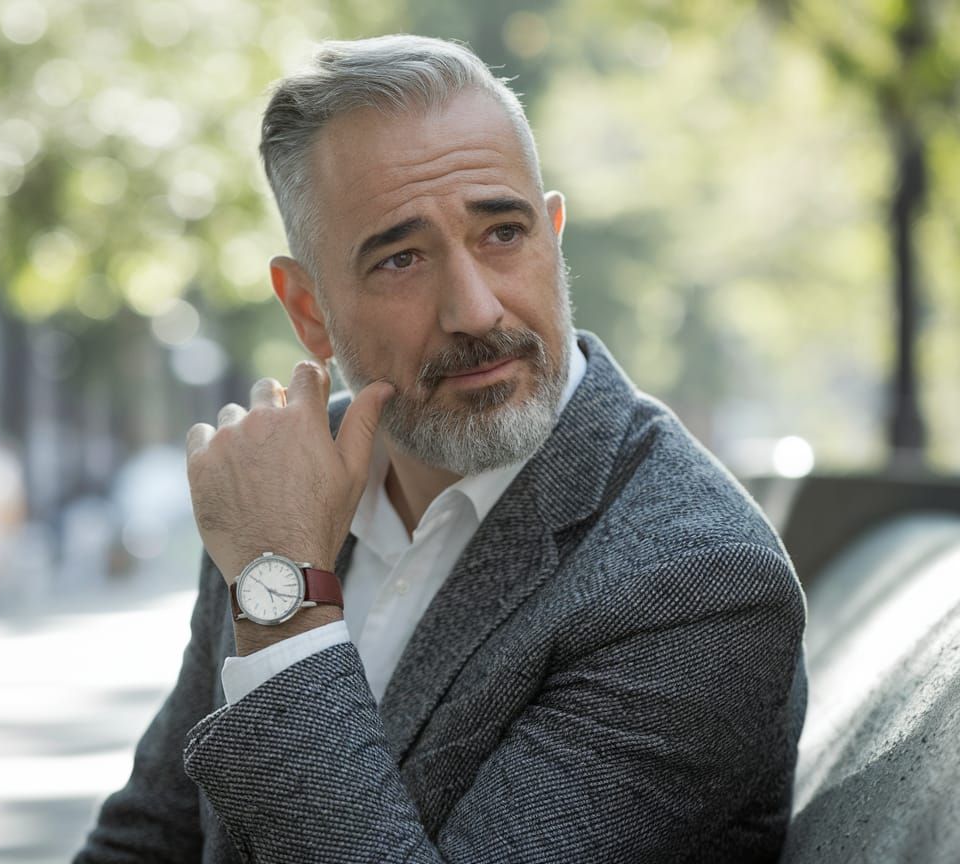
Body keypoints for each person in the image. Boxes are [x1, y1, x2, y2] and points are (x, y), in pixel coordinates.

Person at [75, 34, 806, 863]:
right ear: (309, 311)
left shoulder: (697, 584)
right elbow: (154, 834)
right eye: (402, 258)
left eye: (502, 233)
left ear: (553, 238)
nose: (475, 309)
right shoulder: (284, 485)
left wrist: (286, 604)